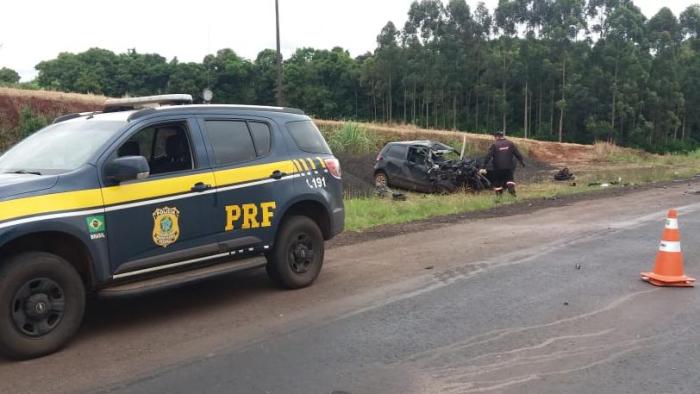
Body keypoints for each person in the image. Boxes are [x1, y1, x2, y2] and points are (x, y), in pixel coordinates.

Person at [483, 131, 525, 197]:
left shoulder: (494, 145)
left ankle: (499, 197)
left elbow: (488, 156)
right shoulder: (510, 143)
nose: (495, 138)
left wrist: (484, 166)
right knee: (510, 179)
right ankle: (512, 192)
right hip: (508, 167)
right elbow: (517, 154)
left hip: (497, 168)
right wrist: (522, 162)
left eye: (495, 137)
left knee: (497, 182)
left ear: (497, 137)